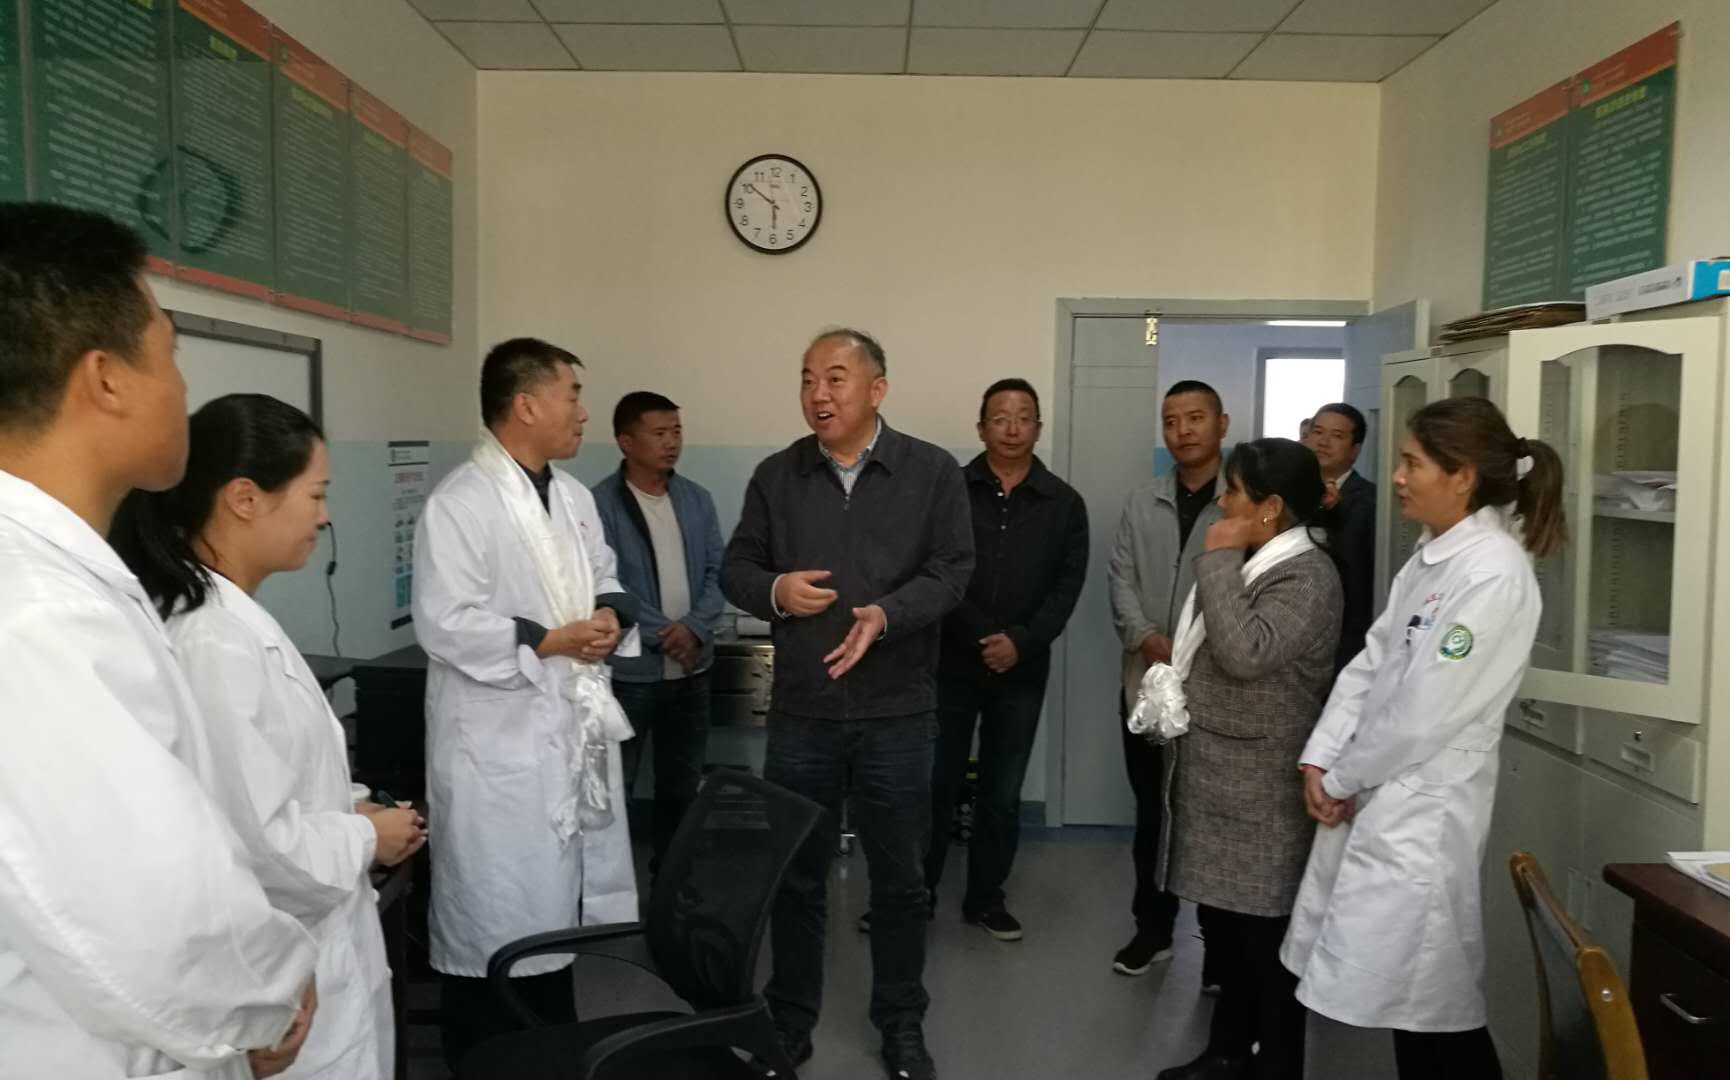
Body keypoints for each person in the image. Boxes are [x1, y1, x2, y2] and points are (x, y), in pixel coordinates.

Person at [0, 203, 317, 1078]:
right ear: (106, 379)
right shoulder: (37, 612)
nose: (182, 389)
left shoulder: (59, 578)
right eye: (171, 355)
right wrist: (268, 1000)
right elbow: (152, 925)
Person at [111, 393, 428, 1080]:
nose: (325, 515)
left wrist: (349, 808)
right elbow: (258, 848)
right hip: (289, 977)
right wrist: (367, 837)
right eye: (315, 494)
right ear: (246, 499)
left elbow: (261, 786)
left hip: (315, 956)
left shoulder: (232, 619)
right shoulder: (214, 641)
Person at [1281, 397, 1566, 1080]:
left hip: (1424, 812)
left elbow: (1423, 713)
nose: (1399, 477)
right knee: (1410, 1005)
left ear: (1462, 476)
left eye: (1412, 463)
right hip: (1383, 793)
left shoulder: (1494, 572)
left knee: (1434, 1004)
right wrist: (1320, 757)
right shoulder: (1433, 556)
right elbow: (1373, 661)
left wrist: (1341, 778)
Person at [723, 328, 973, 1080]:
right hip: (803, 712)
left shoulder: (930, 471)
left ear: (877, 389)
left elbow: (954, 569)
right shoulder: (777, 476)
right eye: (807, 379)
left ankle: (900, 1021)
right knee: (796, 875)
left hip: (898, 712)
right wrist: (775, 590)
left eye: (835, 378)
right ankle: (789, 1017)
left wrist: (888, 614)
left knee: (899, 881)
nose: (818, 394)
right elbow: (737, 567)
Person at [413, 337, 643, 1068]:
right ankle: (487, 1061)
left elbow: (606, 575)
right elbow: (446, 621)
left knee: (550, 917)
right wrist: (549, 640)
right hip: (496, 750)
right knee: (493, 916)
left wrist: (607, 618)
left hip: (562, 733)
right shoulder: (461, 503)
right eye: (572, 395)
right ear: (527, 405)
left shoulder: (572, 498)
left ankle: (551, 1054)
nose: (583, 412)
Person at [1141, 439, 1342, 1080]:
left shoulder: (1308, 575)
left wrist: (1220, 557)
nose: (1223, 504)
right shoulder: (1263, 560)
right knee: (1225, 931)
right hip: (1222, 776)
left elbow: (1244, 652)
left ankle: (1276, 1063)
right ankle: (1227, 1051)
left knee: (1265, 942)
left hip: (1262, 786)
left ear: (1270, 507)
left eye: (1233, 493)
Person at [924, 377, 1087, 941]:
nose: (1012, 428)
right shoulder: (949, 489)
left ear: (1038, 428)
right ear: (981, 428)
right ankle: (915, 895)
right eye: (1000, 417)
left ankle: (985, 899)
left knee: (1002, 792)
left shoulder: (1063, 503)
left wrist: (1020, 641)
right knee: (934, 785)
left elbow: (1066, 588)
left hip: (1022, 668)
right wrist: (980, 635)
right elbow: (936, 569)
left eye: (1023, 417)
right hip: (950, 662)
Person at [1106, 379, 1228, 978]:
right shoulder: (1141, 502)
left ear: (1221, 424)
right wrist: (1145, 636)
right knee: (1154, 815)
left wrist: (1200, 648)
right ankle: (1151, 931)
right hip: (1146, 685)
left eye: (1195, 417)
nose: (1183, 430)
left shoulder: (1244, 503)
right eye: (1171, 420)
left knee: (1212, 819)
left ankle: (1218, 950)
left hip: (1218, 689)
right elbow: (1120, 577)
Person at [592, 390, 725, 875]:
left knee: (682, 785)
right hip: (631, 674)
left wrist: (694, 629)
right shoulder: (600, 505)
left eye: (677, 432)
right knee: (616, 784)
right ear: (627, 442)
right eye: (660, 433)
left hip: (692, 670)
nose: (672, 443)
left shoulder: (696, 500)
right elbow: (605, 584)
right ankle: (612, 887)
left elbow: (718, 573)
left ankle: (672, 879)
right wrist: (665, 633)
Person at [1304, 403, 1376, 672]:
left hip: (1345, 639)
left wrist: (1333, 510)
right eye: (1317, 432)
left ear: (1355, 450)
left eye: (1336, 436)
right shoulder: (1289, 493)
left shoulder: (1370, 500)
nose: (1323, 442)